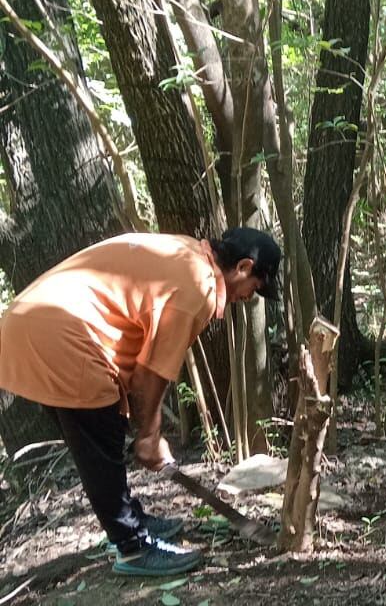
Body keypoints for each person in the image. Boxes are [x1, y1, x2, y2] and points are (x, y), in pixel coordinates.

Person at [0, 227, 282, 576]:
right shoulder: (199, 286)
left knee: (103, 434)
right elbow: (154, 370)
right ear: (242, 267)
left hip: (32, 325)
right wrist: (150, 435)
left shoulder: (185, 254)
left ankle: (130, 520)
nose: (250, 296)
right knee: (99, 442)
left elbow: (140, 351)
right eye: (256, 287)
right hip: (63, 335)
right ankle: (132, 546)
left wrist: (139, 421)